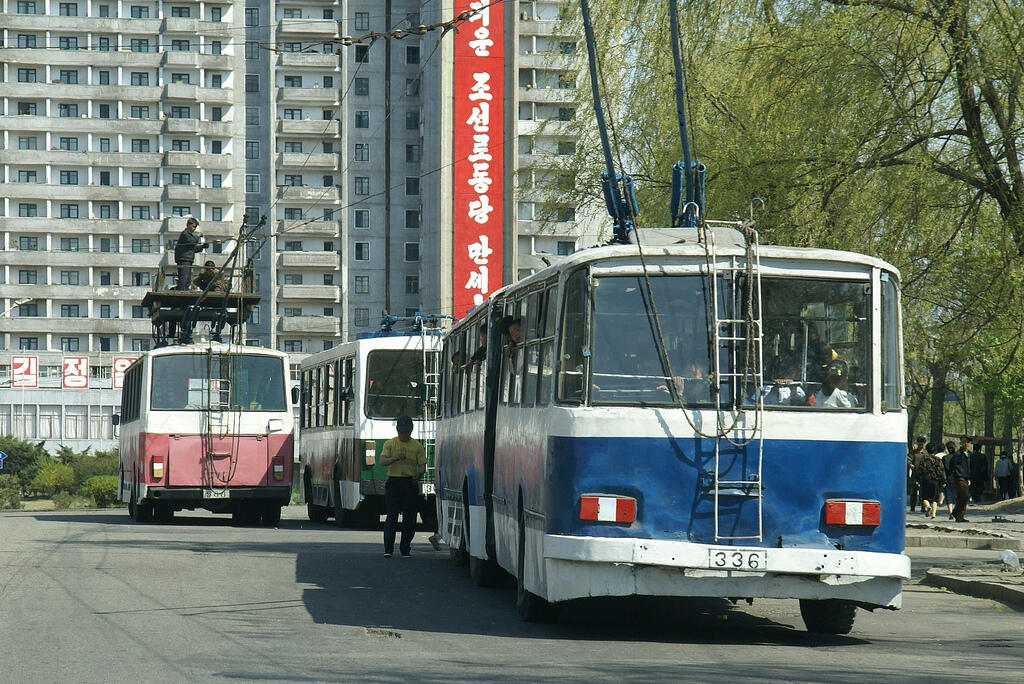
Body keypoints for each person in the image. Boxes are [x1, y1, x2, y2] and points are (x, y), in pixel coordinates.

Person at [379, 415, 427, 557]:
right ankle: (388, 550)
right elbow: (382, 461)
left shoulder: (417, 446)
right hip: (393, 483)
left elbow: (422, 466)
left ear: (411, 430)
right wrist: (394, 458)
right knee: (391, 517)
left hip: (409, 484)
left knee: (410, 518)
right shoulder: (390, 444)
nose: (404, 434)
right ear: (397, 430)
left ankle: (405, 549)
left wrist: (418, 474)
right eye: (401, 432)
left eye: (406, 432)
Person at [173, 216, 207, 289]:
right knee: (184, 279)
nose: (194, 228)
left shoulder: (189, 235)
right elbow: (192, 242)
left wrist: (202, 247)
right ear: (188, 225)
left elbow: (193, 248)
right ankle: (181, 294)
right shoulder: (185, 234)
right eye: (193, 226)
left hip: (188, 259)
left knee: (187, 280)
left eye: (195, 227)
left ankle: (184, 291)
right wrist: (198, 236)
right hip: (184, 259)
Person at [917, 443, 945, 519]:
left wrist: (918, 479)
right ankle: (933, 514)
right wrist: (943, 481)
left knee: (924, 497)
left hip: (926, 480)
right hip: (935, 481)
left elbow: (920, 470)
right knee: (935, 498)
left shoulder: (924, 459)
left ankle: (928, 506)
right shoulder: (938, 460)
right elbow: (941, 470)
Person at [948, 436, 972, 522]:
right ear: (961, 443)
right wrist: (952, 474)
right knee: (964, 495)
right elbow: (952, 464)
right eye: (964, 442)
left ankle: (959, 514)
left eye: (967, 442)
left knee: (964, 497)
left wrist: (969, 478)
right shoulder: (958, 454)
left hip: (966, 477)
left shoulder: (969, 454)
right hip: (959, 477)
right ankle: (957, 514)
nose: (965, 444)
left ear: (969, 443)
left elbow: (969, 467)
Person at [907, 436, 927, 512]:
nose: (920, 445)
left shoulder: (926, 453)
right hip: (915, 474)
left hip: (924, 474)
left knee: (923, 492)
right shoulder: (913, 452)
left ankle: (923, 507)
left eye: (922, 444)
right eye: (919, 443)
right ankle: (912, 507)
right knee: (914, 492)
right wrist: (910, 465)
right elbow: (908, 460)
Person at [941, 440, 957, 518]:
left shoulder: (945, 458)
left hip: (948, 478)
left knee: (949, 496)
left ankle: (950, 512)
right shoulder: (958, 456)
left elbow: (943, 469)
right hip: (957, 478)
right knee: (957, 495)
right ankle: (956, 511)